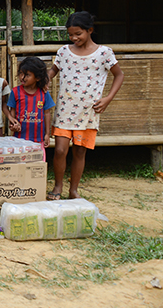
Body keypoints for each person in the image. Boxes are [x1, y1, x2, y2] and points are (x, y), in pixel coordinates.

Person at [48, 12, 124, 200]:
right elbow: (52, 72)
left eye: (78, 34)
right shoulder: (64, 52)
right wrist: (41, 81)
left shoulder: (104, 53)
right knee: (59, 150)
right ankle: (57, 187)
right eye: (71, 34)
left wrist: (108, 99)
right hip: (65, 109)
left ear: (90, 30)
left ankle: (73, 190)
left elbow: (119, 75)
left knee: (80, 151)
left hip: (88, 111)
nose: (74, 38)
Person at [7, 56, 55, 146]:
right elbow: (12, 110)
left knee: (38, 159)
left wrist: (47, 134)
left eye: (27, 75)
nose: (22, 77)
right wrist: (12, 125)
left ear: (37, 78)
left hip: (38, 139)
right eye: (21, 73)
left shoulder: (44, 93)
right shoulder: (15, 92)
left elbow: (47, 113)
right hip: (19, 139)